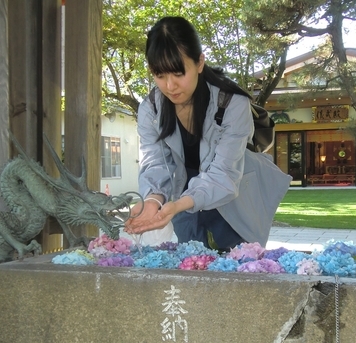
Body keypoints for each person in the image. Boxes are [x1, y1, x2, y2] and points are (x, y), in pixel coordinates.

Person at [124, 16, 291, 250]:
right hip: (182, 199)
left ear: (200, 63)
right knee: (190, 262)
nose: (170, 86)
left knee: (235, 267)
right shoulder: (150, 108)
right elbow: (156, 162)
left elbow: (223, 174)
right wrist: (153, 200)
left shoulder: (233, 104)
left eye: (178, 73)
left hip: (234, 196)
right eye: (160, 75)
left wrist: (179, 204)